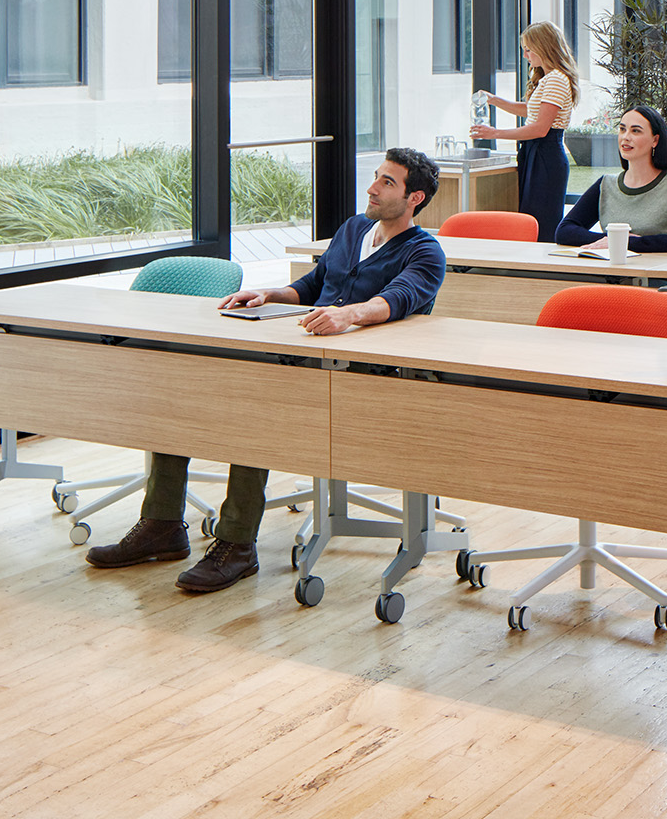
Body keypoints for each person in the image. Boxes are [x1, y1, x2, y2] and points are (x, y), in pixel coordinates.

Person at [85, 148, 448, 593]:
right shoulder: (354, 229)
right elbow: (312, 286)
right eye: (375, 177)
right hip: (304, 355)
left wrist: (349, 315)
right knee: (179, 386)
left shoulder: (426, 251)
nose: (372, 187)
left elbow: (396, 299)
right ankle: (161, 525)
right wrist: (268, 294)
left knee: (254, 405)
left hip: (363, 377)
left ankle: (236, 544)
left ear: (415, 198)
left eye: (387, 182)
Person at [469, 21, 579, 242]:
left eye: (529, 49)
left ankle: (539, 269)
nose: (526, 55)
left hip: (545, 153)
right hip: (538, 153)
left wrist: (495, 133)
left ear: (544, 46)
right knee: (532, 216)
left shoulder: (556, 79)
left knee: (541, 220)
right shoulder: (549, 78)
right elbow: (532, 110)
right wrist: (494, 100)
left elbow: (539, 129)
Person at [553, 105, 667, 253]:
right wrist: (611, 242)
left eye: (636, 131)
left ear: (655, 140)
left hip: (658, 278)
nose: (626, 137)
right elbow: (564, 231)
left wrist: (631, 243)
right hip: (612, 276)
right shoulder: (606, 184)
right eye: (622, 129)